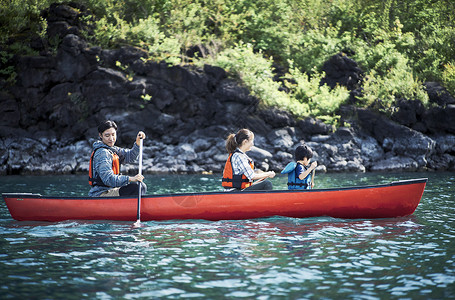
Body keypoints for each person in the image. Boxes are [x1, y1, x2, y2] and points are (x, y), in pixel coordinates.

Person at [88, 120, 147, 197]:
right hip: (101, 194)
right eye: (107, 135)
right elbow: (108, 179)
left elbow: (130, 157)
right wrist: (130, 179)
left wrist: (138, 143)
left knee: (141, 186)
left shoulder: (113, 150)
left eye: (113, 134)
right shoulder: (102, 153)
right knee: (137, 187)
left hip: (112, 190)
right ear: (101, 135)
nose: (111, 138)